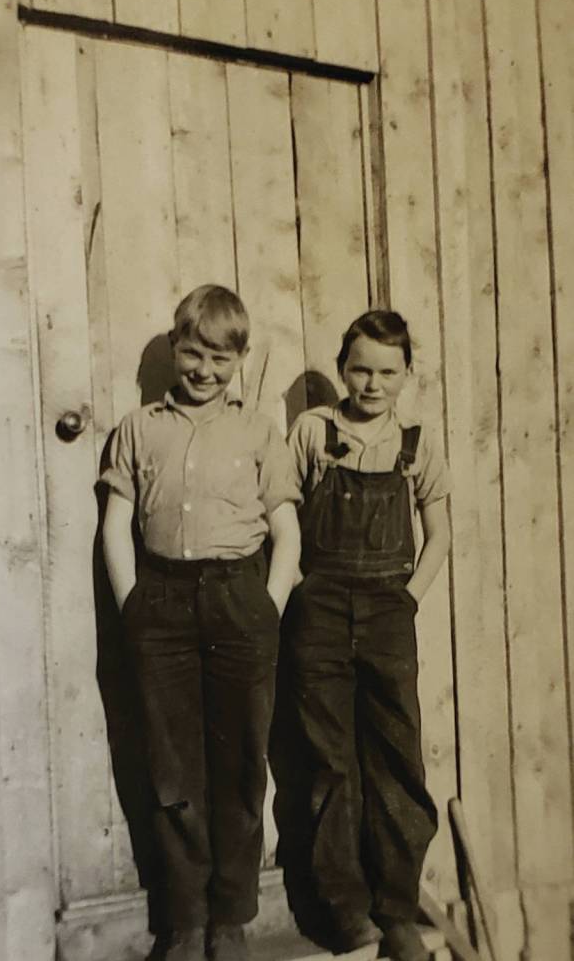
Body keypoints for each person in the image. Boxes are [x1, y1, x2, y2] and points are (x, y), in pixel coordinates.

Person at [101, 285, 301, 961]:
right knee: (172, 767)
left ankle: (231, 917)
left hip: (239, 598)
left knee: (240, 762)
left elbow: (286, 532)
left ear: (239, 359)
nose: (205, 370)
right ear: (174, 348)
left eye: (221, 357)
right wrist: (133, 605)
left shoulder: (258, 432)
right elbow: (115, 526)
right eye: (193, 353)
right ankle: (184, 917)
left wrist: (266, 607)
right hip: (161, 603)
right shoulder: (138, 428)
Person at [283, 309, 450, 961]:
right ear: (341, 368)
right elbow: (283, 517)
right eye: (360, 370)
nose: (372, 384)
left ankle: (396, 908)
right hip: (320, 611)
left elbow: (439, 532)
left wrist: (407, 598)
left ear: (406, 374)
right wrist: (301, 590)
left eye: (387, 372)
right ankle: (347, 910)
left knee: (396, 757)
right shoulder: (312, 431)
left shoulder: (415, 442)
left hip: (387, 613)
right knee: (327, 759)